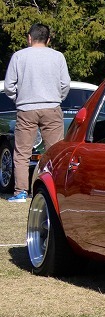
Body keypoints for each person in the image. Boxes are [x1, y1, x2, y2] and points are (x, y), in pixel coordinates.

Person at [3, 23, 71, 202]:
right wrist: (58, 98)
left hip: (26, 108)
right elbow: (65, 84)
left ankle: (20, 192)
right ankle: (53, 191)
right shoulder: (58, 57)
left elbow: (9, 86)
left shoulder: (19, 56)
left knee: (22, 153)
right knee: (55, 152)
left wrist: (19, 97)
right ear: (48, 40)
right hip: (52, 107)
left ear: (29, 38)